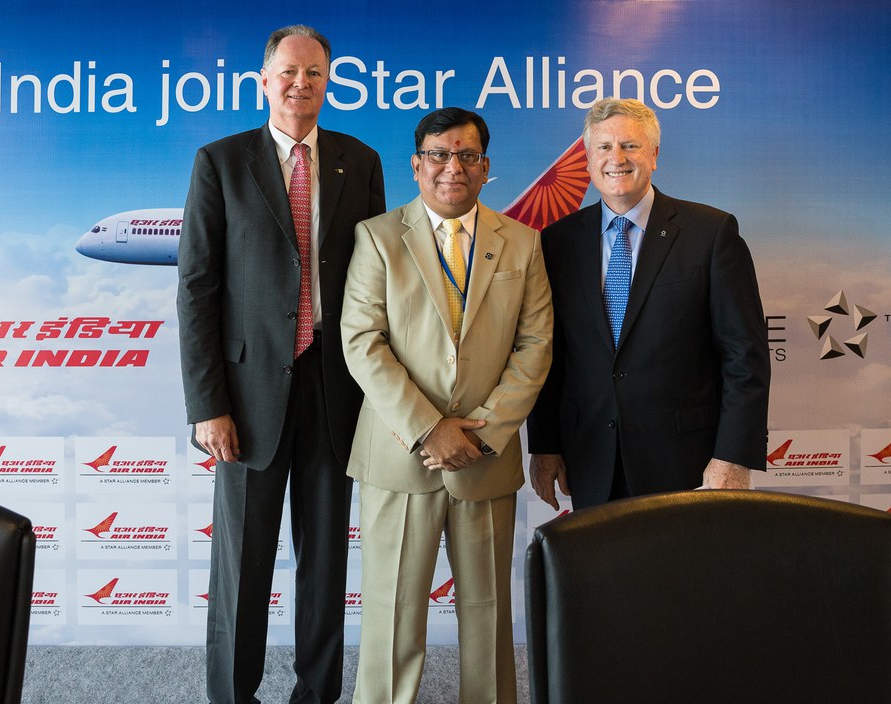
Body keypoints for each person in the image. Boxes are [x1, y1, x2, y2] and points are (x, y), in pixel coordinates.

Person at [176, 24, 385, 704]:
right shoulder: (221, 161)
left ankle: (315, 695)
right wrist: (208, 404)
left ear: (329, 80)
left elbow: (375, 284)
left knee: (323, 566)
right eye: (289, 72)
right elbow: (197, 287)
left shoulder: (362, 161)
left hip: (334, 391)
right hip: (244, 398)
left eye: (315, 73)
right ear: (263, 80)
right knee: (243, 566)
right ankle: (233, 695)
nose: (302, 84)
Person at [341, 107, 553, 704]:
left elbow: (536, 345)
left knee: (487, 618)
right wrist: (430, 430)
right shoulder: (378, 237)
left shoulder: (524, 242)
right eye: (438, 154)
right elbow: (361, 341)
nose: (451, 168)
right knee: (390, 614)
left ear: (486, 167)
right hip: (399, 456)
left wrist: (481, 434)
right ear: (416, 165)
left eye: (466, 156)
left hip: (484, 458)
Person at [526, 98, 769, 511]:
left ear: (654, 155)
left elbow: (744, 355)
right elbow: (552, 353)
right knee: (599, 575)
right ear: (587, 160)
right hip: (591, 459)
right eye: (603, 147)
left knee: (683, 576)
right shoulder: (558, 242)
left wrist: (733, 455)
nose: (615, 158)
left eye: (630, 146)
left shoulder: (710, 234)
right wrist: (546, 445)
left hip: (687, 463)